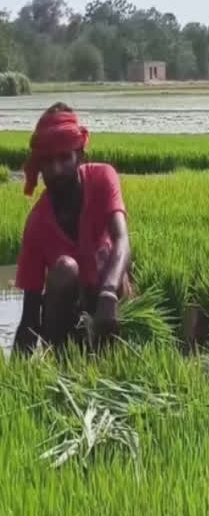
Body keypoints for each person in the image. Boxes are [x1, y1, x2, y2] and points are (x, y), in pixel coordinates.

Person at [13, 102, 133, 355]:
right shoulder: (37, 224)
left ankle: (114, 347)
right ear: (40, 165)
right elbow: (30, 316)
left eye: (64, 158)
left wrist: (109, 292)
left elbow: (122, 238)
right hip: (66, 325)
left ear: (80, 156)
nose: (56, 170)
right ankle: (65, 359)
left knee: (109, 264)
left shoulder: (102, 178)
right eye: (47, 161)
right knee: (65, 268)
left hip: (109, 303)